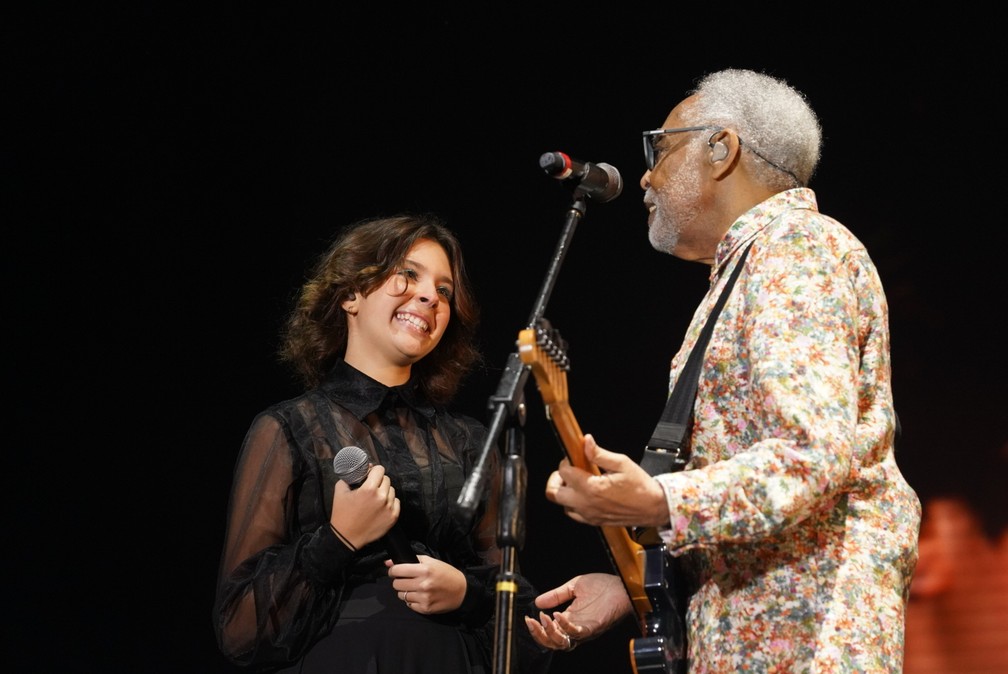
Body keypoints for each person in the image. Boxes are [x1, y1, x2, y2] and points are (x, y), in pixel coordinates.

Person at [523, 68, 922, 672]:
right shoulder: (751, 269)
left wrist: (659, 499)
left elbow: (809, 456)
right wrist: (634, 588)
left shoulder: (797, 249)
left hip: (808, 641)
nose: (646, 177)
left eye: (660, 147)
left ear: (722, 148)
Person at [213, 213, 552, 673]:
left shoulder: (473, 442)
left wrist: (466, 595)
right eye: (408, 275)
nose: (431, 296)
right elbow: (239, 629)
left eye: (445, 291)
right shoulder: (288, 429)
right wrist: (337, 540)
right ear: (351, 294)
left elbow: (523, 620)